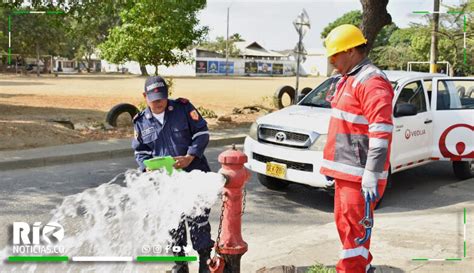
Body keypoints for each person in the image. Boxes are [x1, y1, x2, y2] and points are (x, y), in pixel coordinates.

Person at [320, 24, 394, 273]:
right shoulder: (348, 79)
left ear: (351, 51)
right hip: (347, 172)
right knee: (347, 228)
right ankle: (365, 267)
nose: (331, 60)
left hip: (360, 175)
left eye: (335, 54)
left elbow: (381, 132)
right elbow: (346, 127)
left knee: (355, 235)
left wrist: (371, 174)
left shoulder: (372, 82)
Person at [132, 76, 213, 273]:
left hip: (193, 174)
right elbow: (140, 151)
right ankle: (180, 264)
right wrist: (146, 166)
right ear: (145, 97)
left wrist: (190, 156)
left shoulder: (183, 108)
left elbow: (202, 133)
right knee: (173, 223)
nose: (158, 103)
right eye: (154, 99)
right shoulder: (141, 122)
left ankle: (204, 262)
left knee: (198, 220)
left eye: (162, 98)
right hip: (165, 183)